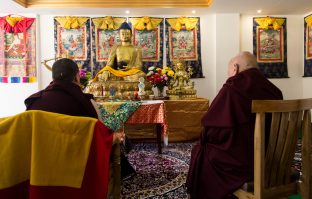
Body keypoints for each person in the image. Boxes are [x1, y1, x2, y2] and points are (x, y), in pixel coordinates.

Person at [186, 51, 283, 199]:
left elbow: (212, 129)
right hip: (270, 158)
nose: (229, 76)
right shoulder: (275, 91)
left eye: (229, 72)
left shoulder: (233, 88)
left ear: (235, 68)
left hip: (242, 163)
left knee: (202, 151)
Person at [24, 58, 125, 199]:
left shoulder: (34, 102)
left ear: (52, 76)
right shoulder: (87, 103)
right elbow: (99, 137)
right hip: (78, 166)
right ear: (77, 76)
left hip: (41, 162)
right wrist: (115, 137)